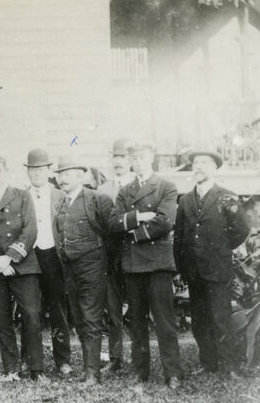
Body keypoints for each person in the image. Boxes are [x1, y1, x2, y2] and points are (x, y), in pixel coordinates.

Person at [108, 141, 183, 388]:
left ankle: (173, 372)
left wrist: (133, 232)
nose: (137, 162)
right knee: (137, 321)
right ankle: (141, 371)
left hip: (158, 263)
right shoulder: (125, 191)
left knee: (164, 320)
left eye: (141, 157)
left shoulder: (166, 186)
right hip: (133, 264)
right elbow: (113, 223)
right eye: (134, 158)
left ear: (151, 158)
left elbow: (165, 222)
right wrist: (139, 216)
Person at [173, 148, 250, 377]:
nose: (198, 167)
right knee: (199, 320)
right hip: (193, 270)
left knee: (220, 318)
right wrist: (180, 268)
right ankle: (208, 363)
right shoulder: (185, 200)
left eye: (204, 163)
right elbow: (179, 236)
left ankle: (228, 365)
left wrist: (221, 249)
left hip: (217, 269)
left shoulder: (227, 197)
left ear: (214, 168)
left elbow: (241, 230)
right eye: (196, 163)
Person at [0, 155, 47, 383]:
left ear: (6, 172)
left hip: (23, 266)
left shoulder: (22, 196)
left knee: (31, 316)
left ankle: (36, 369)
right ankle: (11, 367)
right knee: (2, 320)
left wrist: (10, 258)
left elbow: (30, 230)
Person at [53, 156, 114, 386]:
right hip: (70, 269)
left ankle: (92, 373)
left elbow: (111, 234)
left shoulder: (96, 199)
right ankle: (89, 367)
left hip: (93, 268)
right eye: (60, 175)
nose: (62, 179)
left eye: (67, 174)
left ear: (80, 176)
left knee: (91, 318)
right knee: (78, 318)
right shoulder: (61, 203)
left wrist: (102, 263)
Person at [24, 148, 73, 377]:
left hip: (53, 257)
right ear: (28, 172)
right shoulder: (21, 196)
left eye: (41, 169)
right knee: (30, 310)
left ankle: (63, 360)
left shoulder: (60, 196)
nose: (37, 173)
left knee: (58, 309)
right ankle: (29, 359)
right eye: (33, 169)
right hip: (29, 257)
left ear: (48, 171)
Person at [96, 138, 135, 373]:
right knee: (113, 308)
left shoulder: (139, 185)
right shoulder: (102, 190)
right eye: (116, 157)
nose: (119, 162)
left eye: (123, 157)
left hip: (136, 253)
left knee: (138, 307)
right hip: (111, 256)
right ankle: (115, 357)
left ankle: (140, 357)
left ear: (131, 160)